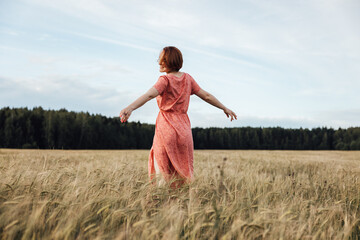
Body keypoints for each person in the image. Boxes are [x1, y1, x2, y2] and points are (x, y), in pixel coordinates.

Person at [120, 46, 237, 188]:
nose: (159, 63)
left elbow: (150, 94)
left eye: (162, 60)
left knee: (162, 176)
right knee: (183, 174)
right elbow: (206, 95)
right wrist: (224, 107)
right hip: (184, 131)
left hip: (166, 128)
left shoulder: (164, 80)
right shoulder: (188, 79)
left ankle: (163, 207)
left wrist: (130, 107)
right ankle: (182, 206)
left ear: (169, 61)